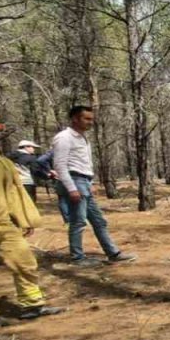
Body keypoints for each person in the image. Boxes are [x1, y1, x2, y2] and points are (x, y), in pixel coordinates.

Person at [0, 111, 66, 327]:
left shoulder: (0, 161)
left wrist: (23, 218)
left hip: (4, 226)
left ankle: (32, 305)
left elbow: (14, 192)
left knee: (25, 262)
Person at [51, 105, 135, 267]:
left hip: (83, 182)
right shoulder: (64, 137)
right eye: (87, 119)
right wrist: (72, 188)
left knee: (99, 221)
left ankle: (113, 253)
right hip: (74, 181)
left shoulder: (82, 138)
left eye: (92, 119)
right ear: (75, 118)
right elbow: (60, 165)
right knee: (78, 221)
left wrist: (89, 183)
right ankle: (77, 258)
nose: (91, 122)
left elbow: (83, 163)